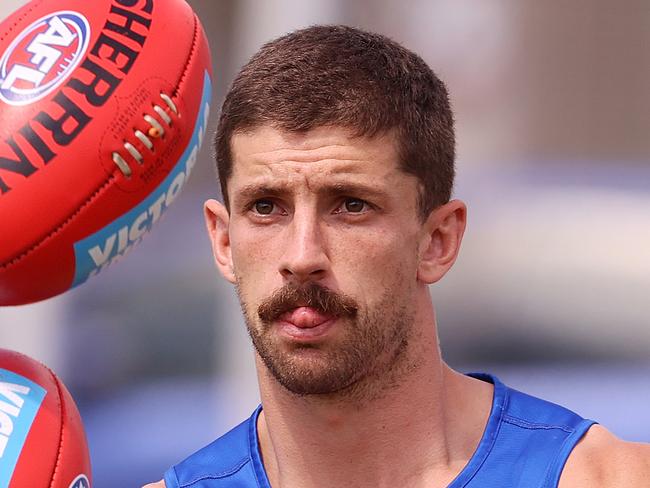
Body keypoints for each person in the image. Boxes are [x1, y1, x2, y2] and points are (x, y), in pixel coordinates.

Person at [145, 25, 649, 488]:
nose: (302, 256)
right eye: (265, 207)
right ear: (224, 241)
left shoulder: (603, 478)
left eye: (351, 206)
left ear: (437, 241)